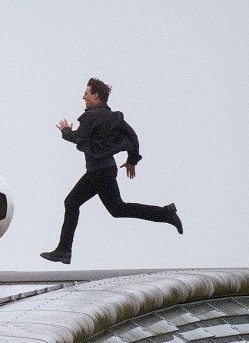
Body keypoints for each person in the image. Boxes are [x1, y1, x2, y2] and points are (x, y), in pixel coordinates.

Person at [40, 78, 182, 264]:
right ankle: (165, 213)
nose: (83, 97)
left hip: (99, 172)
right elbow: (133, 136)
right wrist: (132, 160)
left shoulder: (91, 116)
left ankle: (64, 251)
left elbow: (78, 138)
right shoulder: (114, 117)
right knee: (114, 208)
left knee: (75, 203)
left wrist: (65, 131)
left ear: (96, 96)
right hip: (104, 170)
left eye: (87, 93)